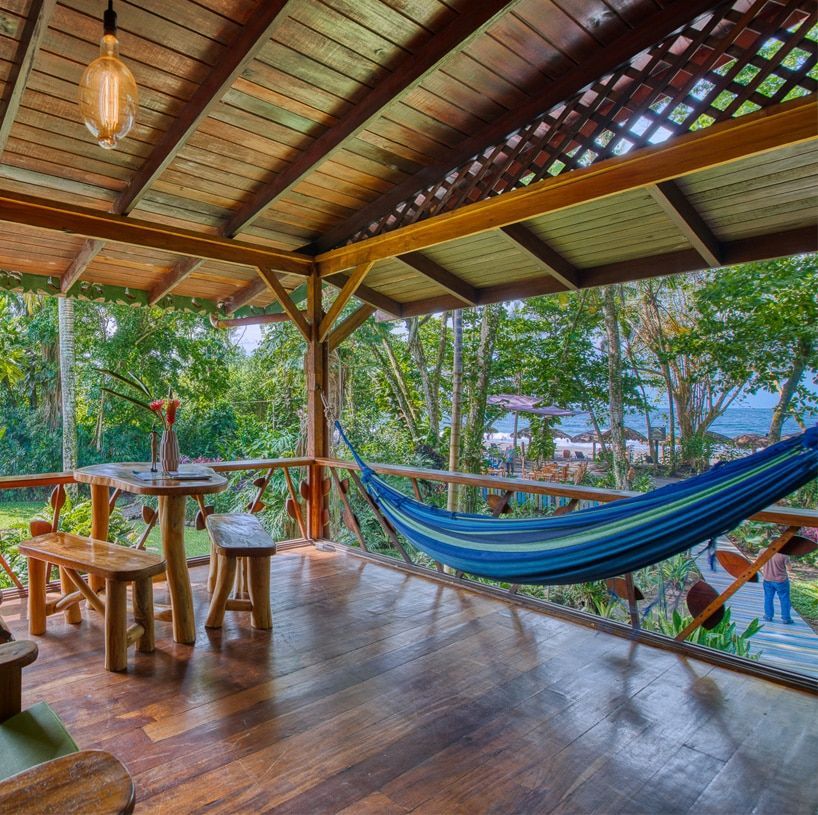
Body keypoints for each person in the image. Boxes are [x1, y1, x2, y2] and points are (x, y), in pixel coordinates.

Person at [761, 547, 793, 624]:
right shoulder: (784, 554)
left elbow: (759, 563)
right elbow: (789, 568)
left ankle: (768, 616)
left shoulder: (763, 551)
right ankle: (786, 618)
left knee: (768, 598)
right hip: (781, 581)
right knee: (784, 599)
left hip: (767, 579)